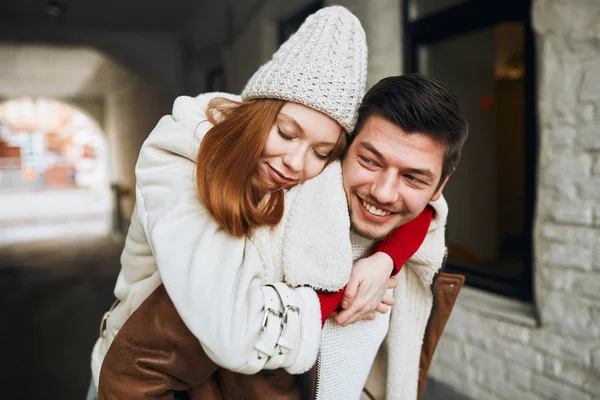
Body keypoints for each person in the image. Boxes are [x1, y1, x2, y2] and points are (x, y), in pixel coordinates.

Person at [88, 6, 430, 400]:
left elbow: (423, 207)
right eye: (286, 133)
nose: (296, 163)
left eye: (321, 152)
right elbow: (234, 332)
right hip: (143, 378)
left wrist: (383, 260)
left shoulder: (317, 176)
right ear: (257, 113)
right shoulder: (181, 159)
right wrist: (342, 294)